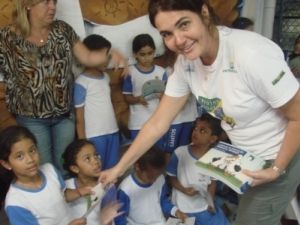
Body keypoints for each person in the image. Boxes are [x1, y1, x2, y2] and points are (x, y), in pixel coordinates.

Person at [100, 1, 300, 225]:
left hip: (281, 154)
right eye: (167, 34)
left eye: (184, 24)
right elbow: (158, 123)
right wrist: (118, 168)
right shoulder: (187, 63)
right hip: (247, 157)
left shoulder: (250, 54)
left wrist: (276, 168)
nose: (178, 41)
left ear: (204, 13)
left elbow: (298, 115)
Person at [0, 0, 126, 174]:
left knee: (67, 166)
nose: (53, 7)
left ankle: (71, 198)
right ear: (28, 4)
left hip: (64, 116)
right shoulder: (8, 36)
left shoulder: (62, 30)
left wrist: (109, 55)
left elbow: (88, 57)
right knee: (44, 169)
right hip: (31, 117)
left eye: (55, 2)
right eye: (46, 2)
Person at [0, 125, 92, 225]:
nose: (30, 159)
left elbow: (61, 195)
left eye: (32, 150)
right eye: (20, 156)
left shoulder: (50, 169)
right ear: (7, 164)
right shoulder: (16, 202)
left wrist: (79, 192)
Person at [166, 113, 229, 225]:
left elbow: (212, 183)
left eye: (203, 131)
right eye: (195, 128)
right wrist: (184, 189)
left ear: (212, 139)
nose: (196, 132)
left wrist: (210, 203)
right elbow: (171, 177)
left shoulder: (214, 158)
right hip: (183, 208)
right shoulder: (180, 152)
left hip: (202, 206)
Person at [74, 34, 120, 170]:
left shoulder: (106, 77)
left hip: (113, 132)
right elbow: (79, 117)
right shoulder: (81, 82)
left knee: (113, 170)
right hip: (94, 136)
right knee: (96, 171)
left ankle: (111, 192)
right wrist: (83, 143)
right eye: (104, 55)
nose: (107, 60)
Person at [122, 33, 168, 149]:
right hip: (138, 124)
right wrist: (138, 99)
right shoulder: (130, 72)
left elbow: (166, 97)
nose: (147, 58)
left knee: (157, 155)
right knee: (140, 156)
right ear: (135, 54)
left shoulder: (161, 72)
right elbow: (127, 97)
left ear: (154, 52)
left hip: (157, 123)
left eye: (150, 53)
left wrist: (161, 96)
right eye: (142, 54)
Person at [63, 139, 123, 225]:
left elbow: (109, 220)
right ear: (75, 168)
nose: (95, 161)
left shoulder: (108, 186)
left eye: (96, 155)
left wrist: (106, 221)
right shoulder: (67, 187)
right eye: (87, 159)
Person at [114, 146, 177, 225]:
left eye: (157, 175)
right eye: (150, 177)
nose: (154, 180)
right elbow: (120, 218)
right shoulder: (126, 189)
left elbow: (163, 201)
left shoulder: (160, 179)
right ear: (137, 167)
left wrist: (176, 211)